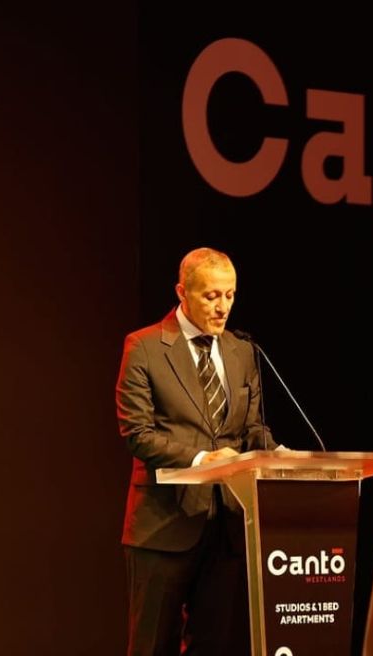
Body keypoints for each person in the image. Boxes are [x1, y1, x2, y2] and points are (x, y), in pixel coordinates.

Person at [116, 247, 279, 655]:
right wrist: (201, 460)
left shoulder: (242, 351)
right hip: (164, 526)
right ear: (182, 292)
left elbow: (251, 429)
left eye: (230, 295)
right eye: (211, 296)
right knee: (153, 647)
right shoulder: (144, 347)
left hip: (226, 527)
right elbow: (137, 433)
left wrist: (281, 454)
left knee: (216, 646)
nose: (223, 307)